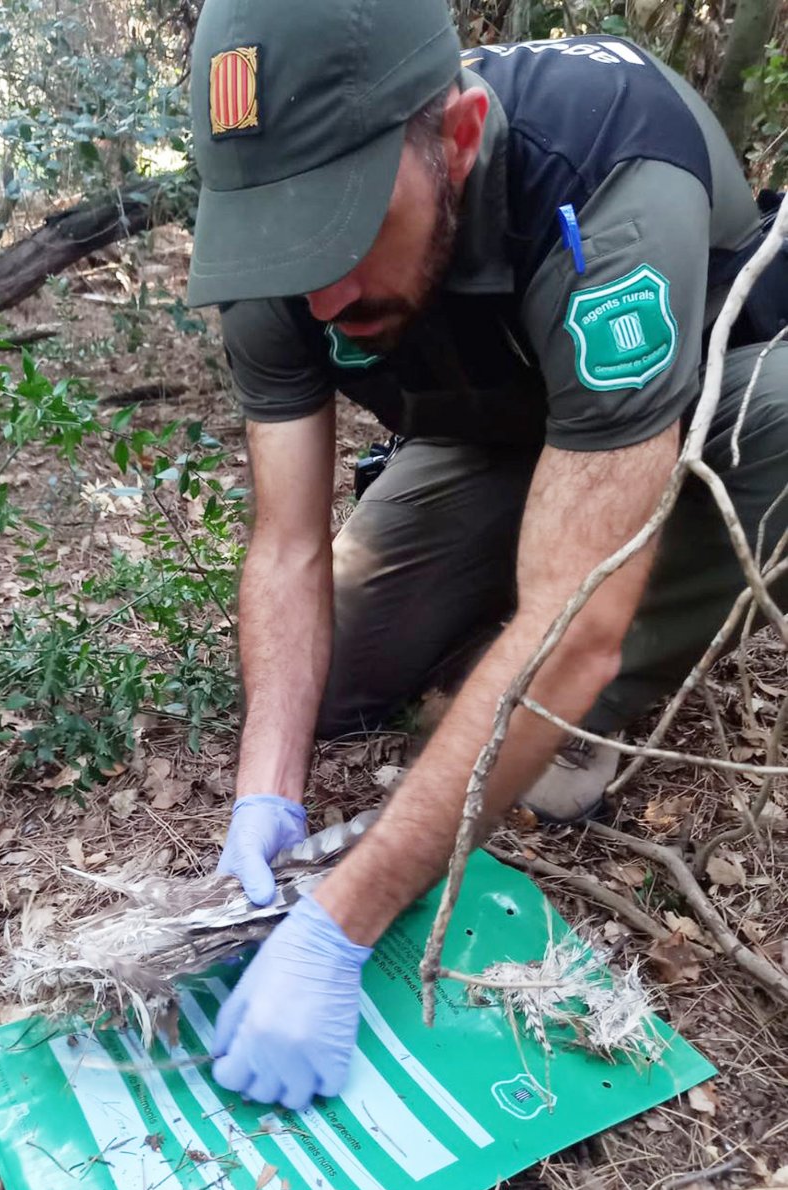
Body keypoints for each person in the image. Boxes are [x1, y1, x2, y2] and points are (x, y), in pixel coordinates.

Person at [185, 0, 788, 1111]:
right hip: (499, 429)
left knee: (773, 427)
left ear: (458, 138)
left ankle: (579, 714)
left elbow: (576, 624)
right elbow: (283, 546)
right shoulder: (275, 237)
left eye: (342, 227)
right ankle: (497, 630)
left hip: (684, 420)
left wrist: (339, 923)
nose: (317, 292)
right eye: (285, 237)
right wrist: (263, 791)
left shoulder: (609, 186)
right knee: (344, 676)